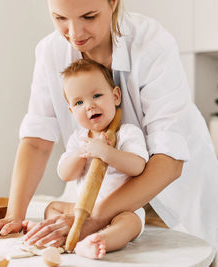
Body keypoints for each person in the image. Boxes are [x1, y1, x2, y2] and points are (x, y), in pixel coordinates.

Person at [0, 0, 218, 260]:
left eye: (88, 17)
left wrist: (91, 219)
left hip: (170, 195)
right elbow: (37, 140)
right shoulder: (50, 52)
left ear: (113, 2)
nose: (75, 34)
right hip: (99, 200)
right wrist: (14, 216)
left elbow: (169, 162)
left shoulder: (152, 43)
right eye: (59, 18)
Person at [42, 58, 148, 259]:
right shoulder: (79, 139)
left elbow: (137, 166)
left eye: (97, 95)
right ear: (72, 110)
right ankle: (58, 233)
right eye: (79, 102)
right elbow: (66, 174)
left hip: (119, 211)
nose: (89, 106)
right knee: (52, 208)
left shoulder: (126, 133)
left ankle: (99, 241)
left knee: (131, 222)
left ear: (116, 96)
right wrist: (82, 152)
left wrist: (106, 153)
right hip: (84, 208)